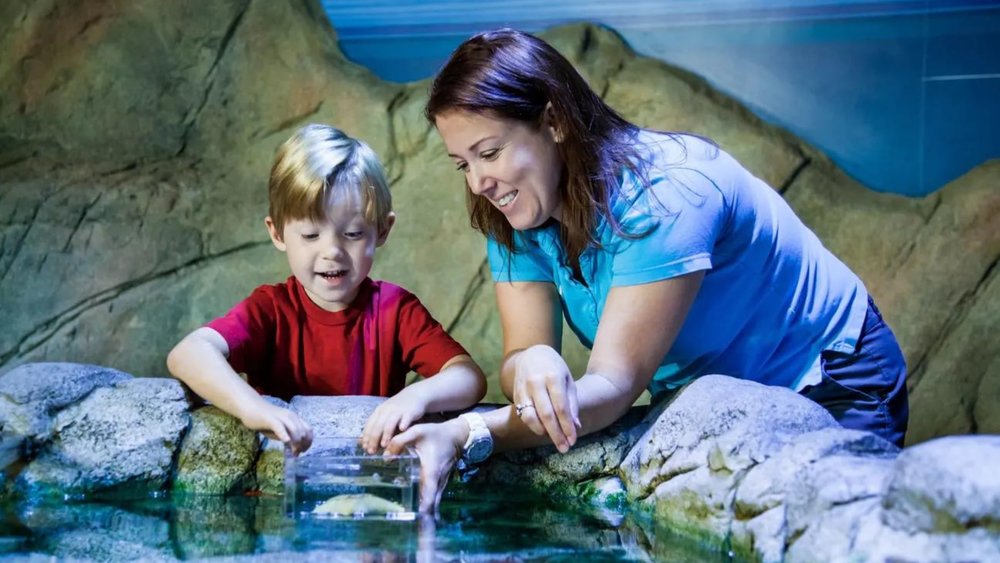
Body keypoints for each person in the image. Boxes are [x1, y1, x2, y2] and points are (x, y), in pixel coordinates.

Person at [386, 28, 909, 513]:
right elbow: (520, 357)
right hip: (710, 394)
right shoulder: (515, 212)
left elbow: (612, 388)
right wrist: (531, 361)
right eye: (463, 164)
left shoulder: (667, 195)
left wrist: (465, 433)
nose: (478, 182)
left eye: (490, 152)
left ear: (554, 121)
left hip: (822, 376)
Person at [167, 124, 487, 455]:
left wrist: (415, 396)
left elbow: (468, 377)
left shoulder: (396, 310)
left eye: (352, 234)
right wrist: (252, 408)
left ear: (381, 230)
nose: (331, 251)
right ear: (277, 233)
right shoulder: (270, 309)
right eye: (310, 236)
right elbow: (188, 353)